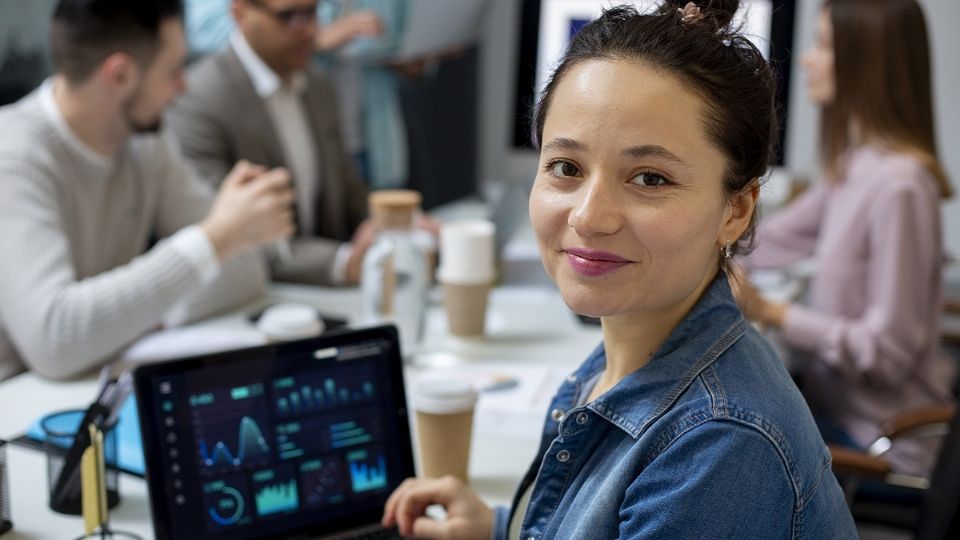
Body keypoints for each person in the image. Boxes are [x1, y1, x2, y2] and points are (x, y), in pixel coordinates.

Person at [382, 2, 857, 538]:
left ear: (736, 209)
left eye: (650, 178)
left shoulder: (718, 446)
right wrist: (501, 529)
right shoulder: (627, 351)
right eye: (566, 167)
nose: (589, 217)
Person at [0, 0, 295, 381]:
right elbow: (55, 341)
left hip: (89, 392)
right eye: (172, 71)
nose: (183, 86)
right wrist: (214, 239)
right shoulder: (14, 158)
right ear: (119, 75)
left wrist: (126, 320)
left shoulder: (144, 141)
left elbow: (244, 270)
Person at [732, 0, 955, 478]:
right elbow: (765, 241)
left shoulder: (900, 186)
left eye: (825, 45)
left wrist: (772, 311)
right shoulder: (856, 166)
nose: (808, 59)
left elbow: (886, 354)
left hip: (879, 440)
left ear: (867, 64)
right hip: (834, 408)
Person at [167, 0, 376, 285]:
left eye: (311, 13)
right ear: (239, 14)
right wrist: (343, 262)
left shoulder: (318, 85)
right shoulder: (200, 100)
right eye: (288, 16)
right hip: (254, 298)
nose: (308, 30)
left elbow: (349, 190)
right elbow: (227, 235)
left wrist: (391, 224)